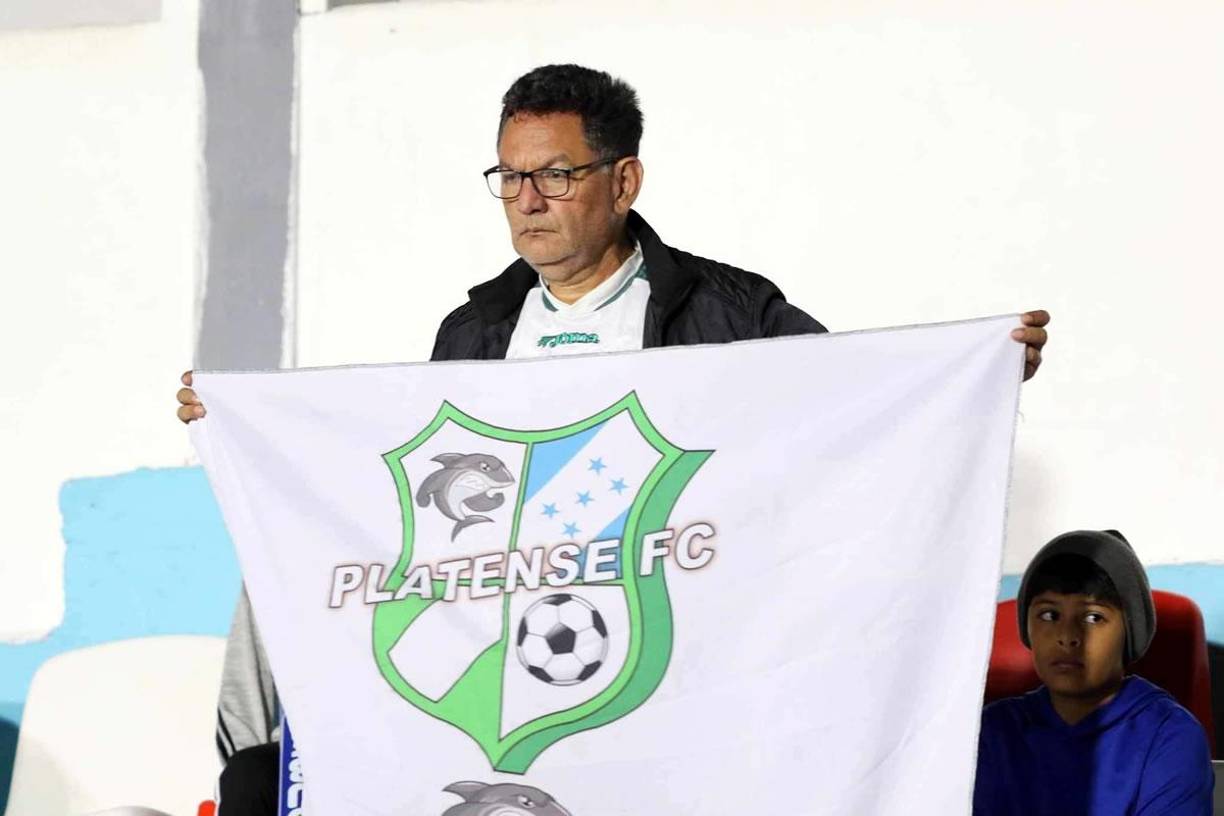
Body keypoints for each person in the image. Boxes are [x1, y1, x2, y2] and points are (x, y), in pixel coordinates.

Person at [178, 64, 1051, 814]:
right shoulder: (474, 330)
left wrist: (970, 376)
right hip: (517, 635)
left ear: (624, 181)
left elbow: (848, 412)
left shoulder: (729, 312)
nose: (527, 201)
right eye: (510, 177)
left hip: (680, 654)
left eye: (555, 175)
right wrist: (242, 428)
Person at [974, 529, 1214, 815]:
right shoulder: (993, 731)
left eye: (1093, 617)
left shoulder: (1169, 737)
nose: (1067, 636)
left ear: (1130, 631)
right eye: (1049, 615)